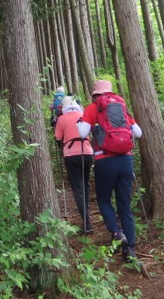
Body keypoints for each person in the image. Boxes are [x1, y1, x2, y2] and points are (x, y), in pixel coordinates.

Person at [77, 79, 142, 260]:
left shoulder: (93, 108)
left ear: (95, 94)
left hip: (105, 161)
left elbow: (82, 133)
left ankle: (116, 233)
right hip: (126, 160)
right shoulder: (121, 108)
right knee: (125, 205)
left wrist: (81, 122)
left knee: (104, 199)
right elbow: (138, 133)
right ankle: (131, 250)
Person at [54, 95, 94, 233]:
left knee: (77, 187)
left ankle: (87, 221)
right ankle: (87, 211)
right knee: (86, 183)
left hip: (71, 154)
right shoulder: (82, 114)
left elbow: (58, 137)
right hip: (87, 152)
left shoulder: (61, 118)